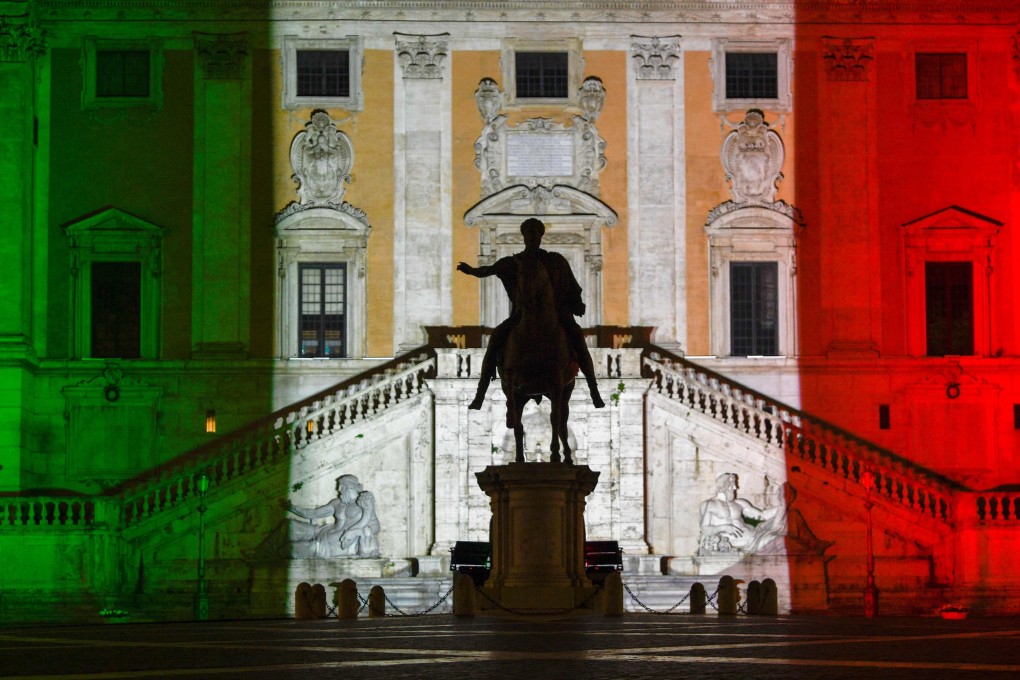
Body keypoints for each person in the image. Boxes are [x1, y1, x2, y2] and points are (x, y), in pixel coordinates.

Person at [457, 218, 605, 410]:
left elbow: (572, 286)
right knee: (495, 340)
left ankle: (594, 389)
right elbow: (489, 270)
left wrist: (577, 305)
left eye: (536, 233)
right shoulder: (513, 262)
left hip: (557, 316)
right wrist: (471, 271)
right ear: (524, 236)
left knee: (577, 337)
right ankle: (480, 394)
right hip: (520, 316)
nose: (532, 237)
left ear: (540, 236)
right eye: (529, 233)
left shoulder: (555, 261)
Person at [287, 474, 380, 558]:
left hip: (334, 545)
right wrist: (292, 508)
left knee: (293, 548)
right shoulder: (337, 503)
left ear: (350, 487)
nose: (338, 489)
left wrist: (354, 532)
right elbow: (313, 513)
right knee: (289, 526)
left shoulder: (364, 503)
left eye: (342, 486)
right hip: (321, 532)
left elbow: (375, 528)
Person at [699, 472, 764, 553]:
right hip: (732, 542)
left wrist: (782, 506)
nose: (735, 487)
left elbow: (762, 516)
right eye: (732, 485)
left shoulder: (740, 503)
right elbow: (704, 529)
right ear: (723, 486)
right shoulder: (709, 504)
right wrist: (724, 528)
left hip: (754, 536)